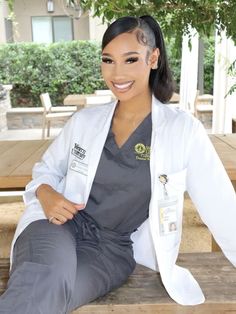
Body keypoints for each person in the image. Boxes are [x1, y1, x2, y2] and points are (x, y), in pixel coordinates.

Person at [0, 15, 236, 313]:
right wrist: (46, 194)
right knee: (44, 279)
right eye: (108, 60)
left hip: (112, 251)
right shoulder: (85, 121)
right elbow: (45, 172)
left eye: (130, 59)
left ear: (153, 58)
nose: (117, 73)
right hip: (58, 227)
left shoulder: (182, 131)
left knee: (51, 294)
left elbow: (221, 205)